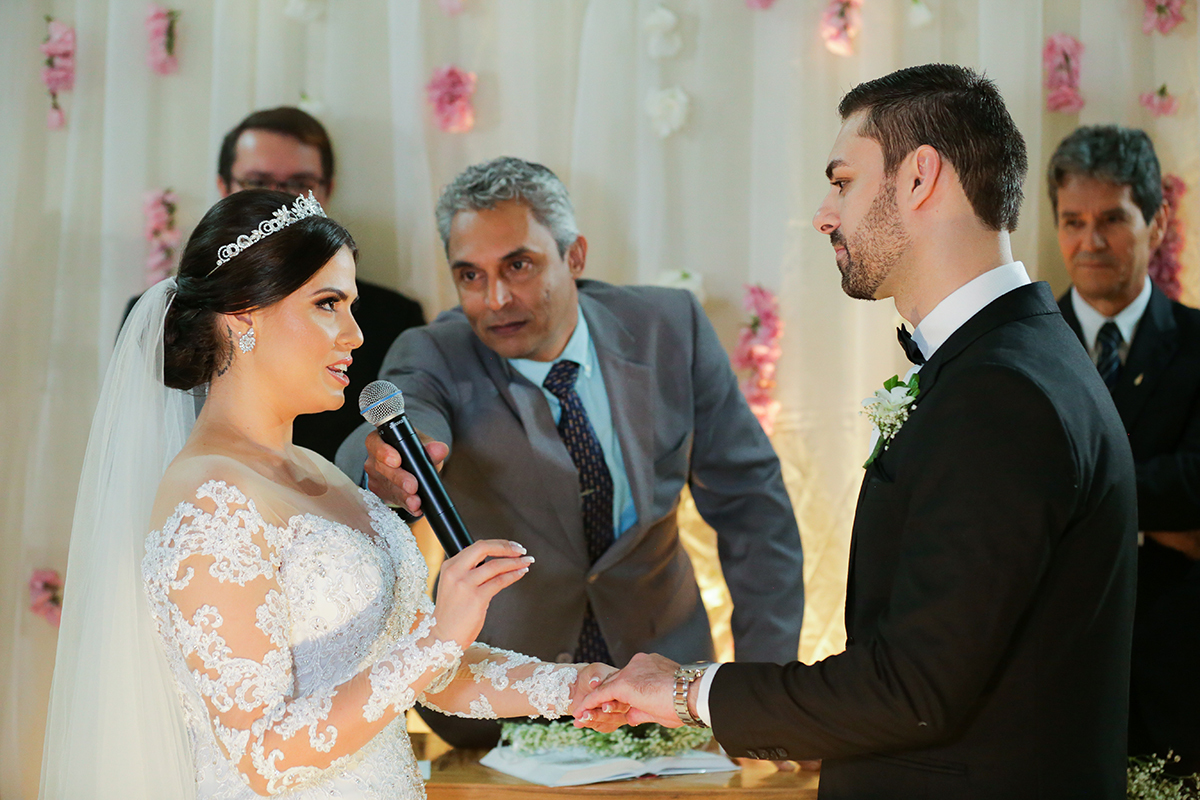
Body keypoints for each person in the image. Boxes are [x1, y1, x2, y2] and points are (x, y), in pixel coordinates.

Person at [576, 64, 1138, 799]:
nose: (823, 214)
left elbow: (912, 689)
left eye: (843, 181)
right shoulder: (1020, 358)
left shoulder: (1000, 393)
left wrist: (688, 692)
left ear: (920, 178)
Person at [40, 189, 623, 799]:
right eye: (327, 304)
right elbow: (262, 756)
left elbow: (436, 676)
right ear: (242, 314)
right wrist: (437, 640)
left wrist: (582, 688)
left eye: (351, 306)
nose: (355, 335)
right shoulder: (210, 499)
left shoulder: (323, 473)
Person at [336, 156, 805, 747]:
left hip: (662, 685)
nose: (495, 298)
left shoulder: (669, 327)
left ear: (575, 255)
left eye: (519, 266)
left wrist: (762, 700)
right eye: (470, 275)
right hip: (497, 704)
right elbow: (401, 419)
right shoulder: (434, 352)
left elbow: (754, 513)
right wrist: (386, 462)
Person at [125, 106, 426, 462]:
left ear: (326, 190)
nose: (277, 197)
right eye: (257, 182)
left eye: (299, 184)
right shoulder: (159, 317)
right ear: (224, 186)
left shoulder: (394, 318)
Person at [1048, 125, 1200, 773]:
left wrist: (1070, 500)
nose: (1090, 242)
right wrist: (1153, 521)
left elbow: (1196, 482)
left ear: (1157, 222)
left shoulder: (1197, 345)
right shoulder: (1020, 351)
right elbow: (1004, 491)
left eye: (1112, 219)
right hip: (1049, 680)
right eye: (1073, 221)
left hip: (1177, 678)